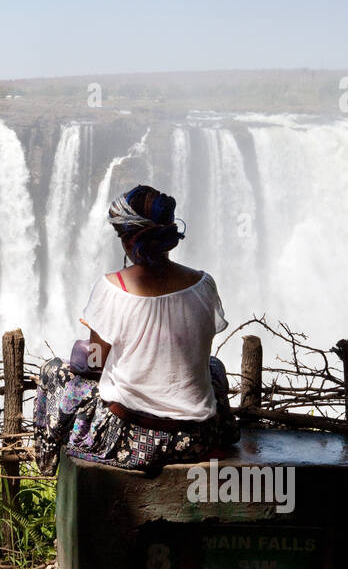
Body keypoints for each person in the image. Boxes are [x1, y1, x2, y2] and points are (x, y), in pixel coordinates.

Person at [33, 184, 234, 476]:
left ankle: (48, 469)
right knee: (213, 366)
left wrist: (79, 353)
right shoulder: (204, 285)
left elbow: (95, 363)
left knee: (55, 371)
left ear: (128, 241)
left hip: (132, 438)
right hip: (197, 439)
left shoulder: (112, 289)